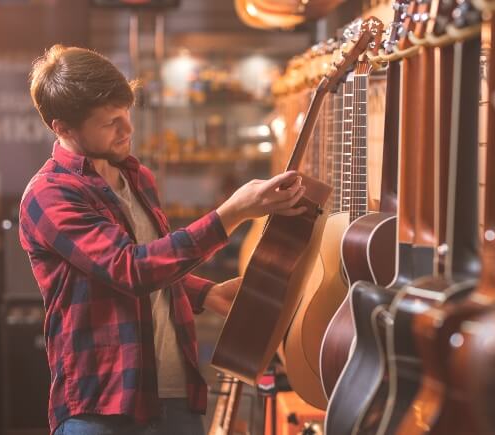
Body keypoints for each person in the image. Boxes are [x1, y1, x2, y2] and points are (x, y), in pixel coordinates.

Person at [19, 44, 305, 435]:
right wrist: (232, 213)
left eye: (127, 114)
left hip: (173, 393)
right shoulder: (49, 195)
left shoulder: (137, 178)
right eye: (110, 122)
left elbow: (153, 264)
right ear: (63, 128)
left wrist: (205, 293)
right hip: (104, 407)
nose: (128, 129)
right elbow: (130, 269)